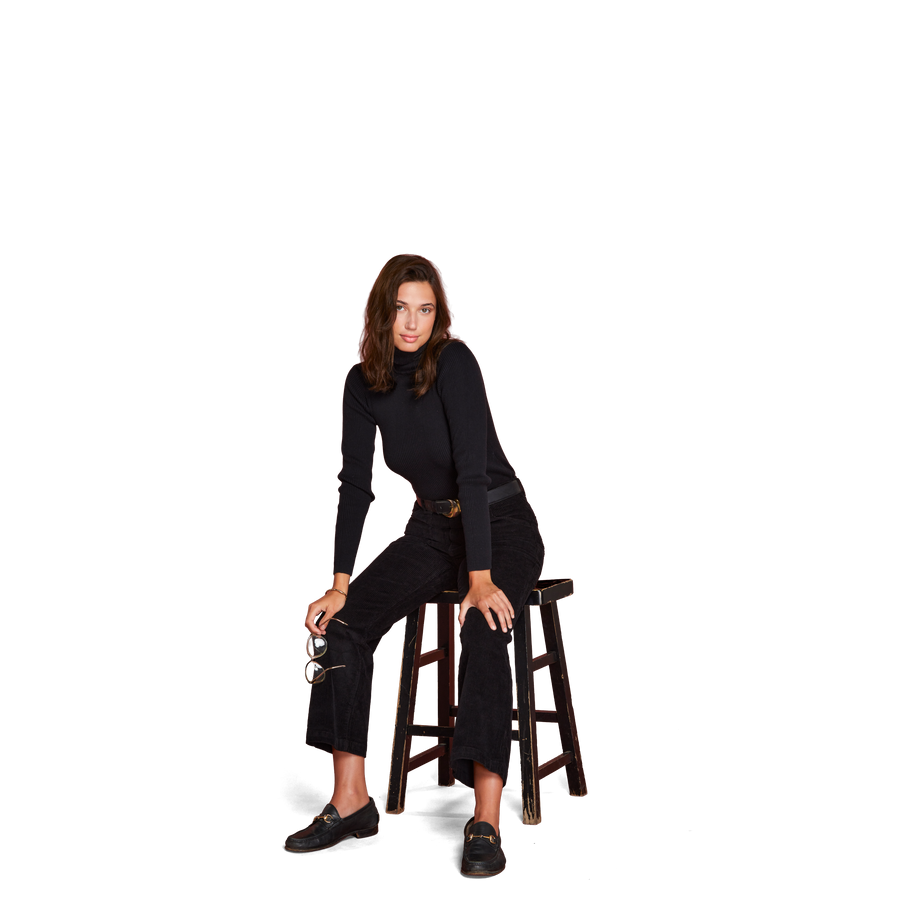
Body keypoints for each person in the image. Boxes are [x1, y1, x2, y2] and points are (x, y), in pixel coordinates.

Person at [284, 252, 547, 877]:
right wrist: (339, 584)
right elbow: (355, 484)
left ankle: (486, 819)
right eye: (400, 309)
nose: (411, 323)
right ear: (380, 312)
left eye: (424, 310)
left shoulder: (454, 361)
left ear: (438, 315)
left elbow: (474, 472)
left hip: (501, 522)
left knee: (485, 623)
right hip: (431, 526)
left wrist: (479, 579)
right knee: (339, 626)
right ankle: (351, 798)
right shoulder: (361, 383)